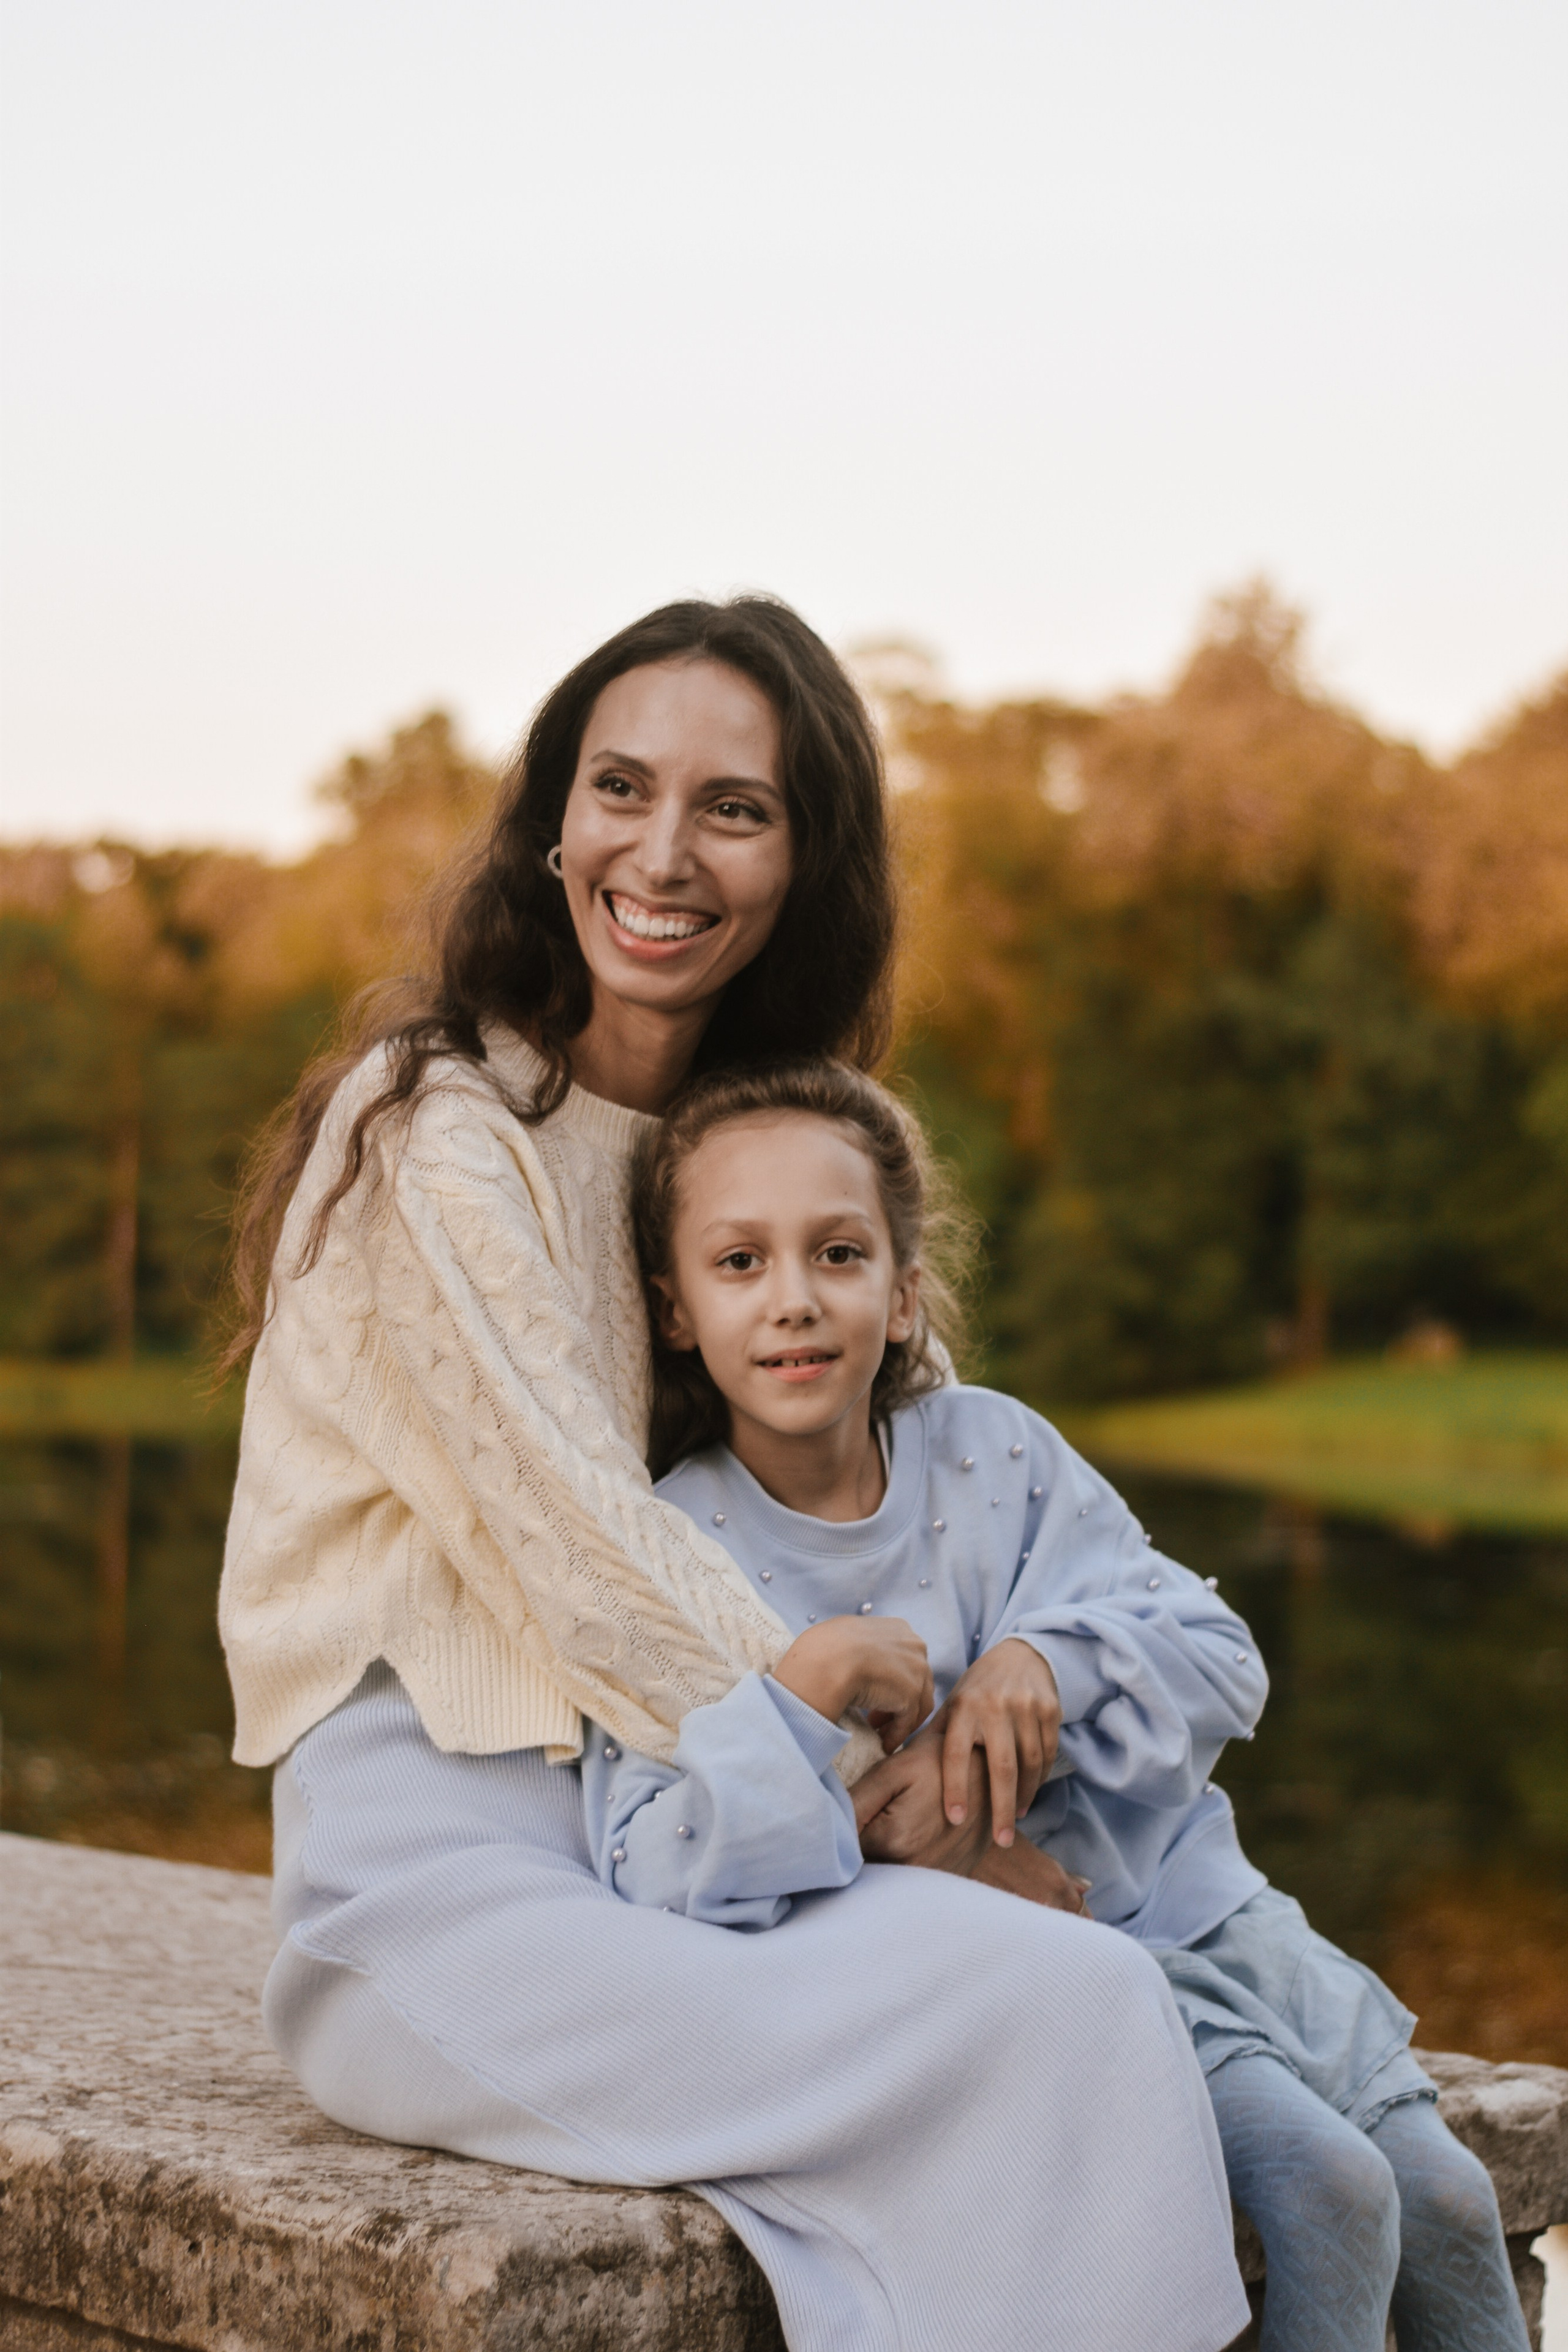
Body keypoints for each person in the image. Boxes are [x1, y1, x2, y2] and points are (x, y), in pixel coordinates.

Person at [219, 595, 1251, 2352]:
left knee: (1084, 2003)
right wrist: (882, 1786)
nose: (664, 851)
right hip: (455, 1879)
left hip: (720, 1835)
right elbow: (578, 1541)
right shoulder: (436, 1125)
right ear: (553, 826)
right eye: (620, 788)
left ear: (803, 861)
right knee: (1062, 2014)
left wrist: (999, 1725)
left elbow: (926, 1508)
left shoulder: (761, 1154)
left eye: (736, 808)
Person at [605, 1056, 1530, 2352]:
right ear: (672, 1308)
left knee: (1443, 2195)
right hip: (1082, 1976)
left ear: (903, 1286)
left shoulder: (996, 1454)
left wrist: (1043, 1658)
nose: (796, 1302)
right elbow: (651, 1867)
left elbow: (1219, 1656)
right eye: (739, 1263)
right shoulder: (673, 1548)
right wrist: (808, 1721)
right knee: (1331, 2195)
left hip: (1210, 1912)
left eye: (837, 1253)